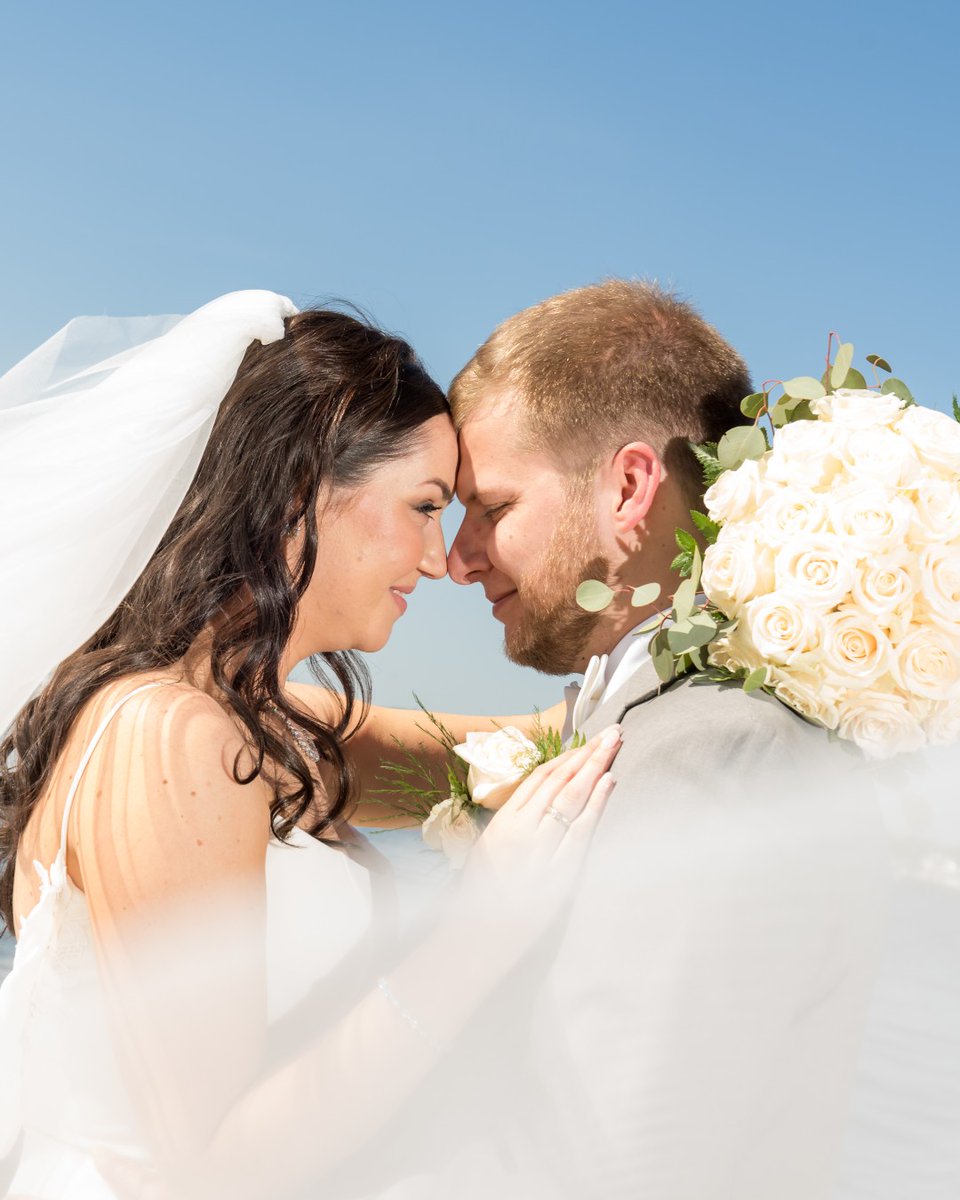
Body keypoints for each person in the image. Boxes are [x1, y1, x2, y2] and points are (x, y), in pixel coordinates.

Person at [0, 291, 620, 1199]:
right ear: (302, 495)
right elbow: (207, 1159)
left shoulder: (265, 726)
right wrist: (479, 930)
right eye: (423, 505)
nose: (445, 557)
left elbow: (519, 752)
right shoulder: (166, 735)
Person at [434, 280, 891, 1198]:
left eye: (492, 508)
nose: (457, 557)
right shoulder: (635, 714)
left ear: (631, 487)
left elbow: (622, 1157)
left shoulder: (723, 751)